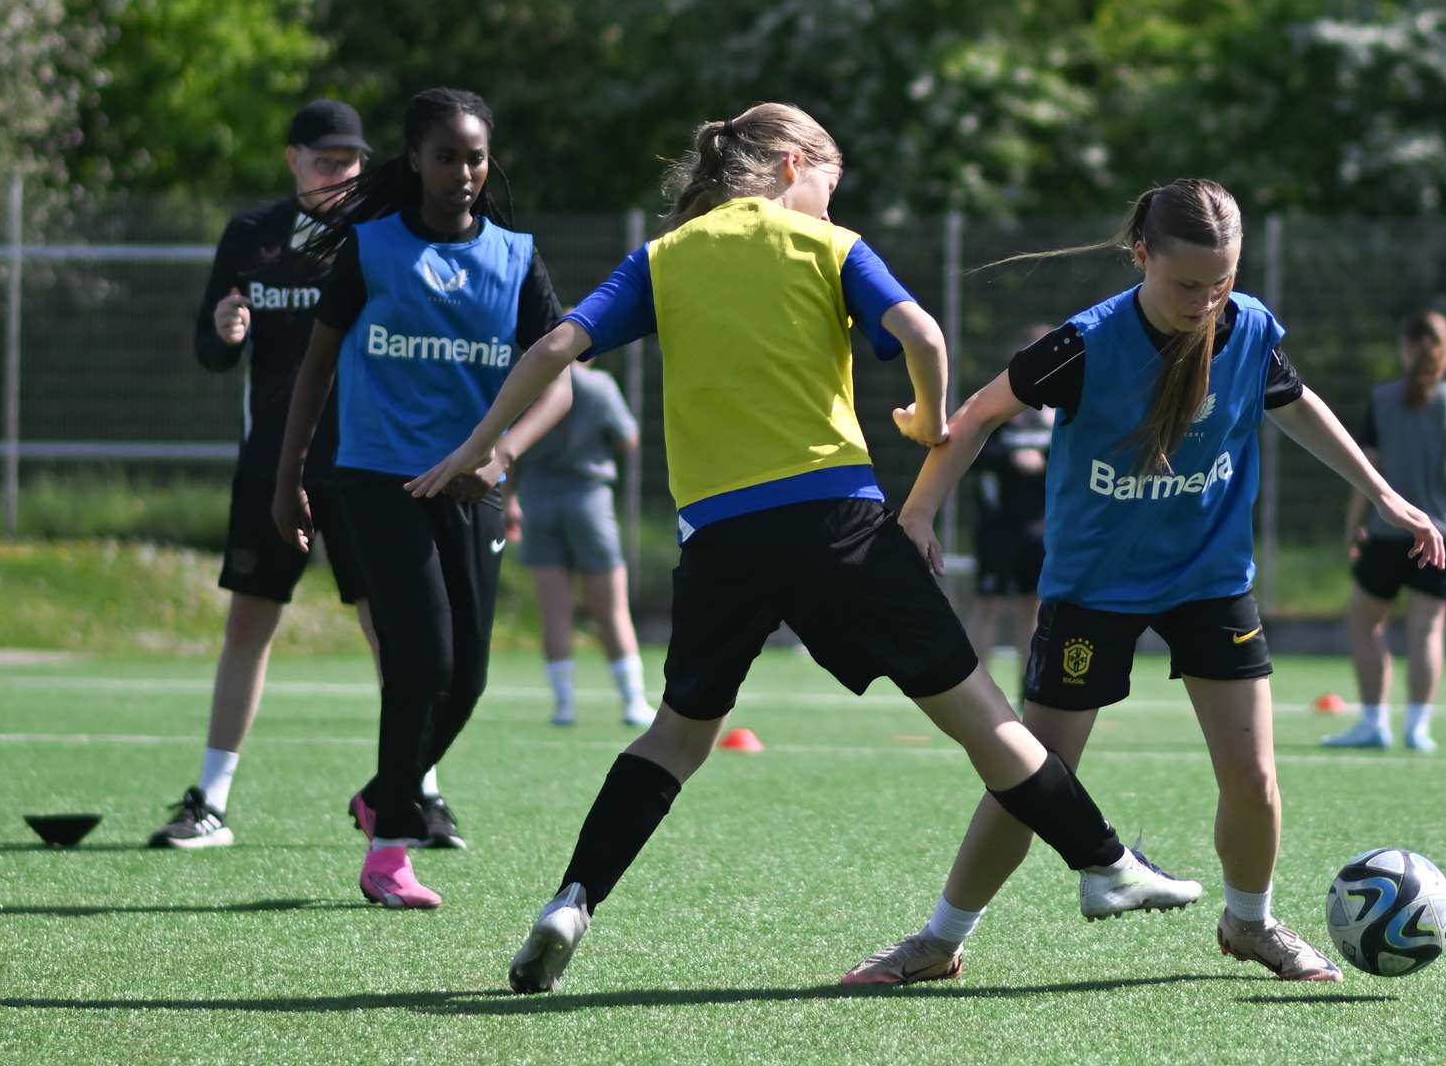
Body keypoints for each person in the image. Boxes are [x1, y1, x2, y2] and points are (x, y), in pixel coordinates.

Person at [408, 103, 1201, 993]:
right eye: (830, 183)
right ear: (793, 165)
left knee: (675, 735)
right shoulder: (829, 248)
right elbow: (925, 336)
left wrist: (473, 451)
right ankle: (1104, 866)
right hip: (836, 523)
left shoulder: (666, 257)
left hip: (717, 536)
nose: (832, 202)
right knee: (983, 718)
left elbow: (557, 345)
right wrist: (928, 421)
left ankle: (574, 897)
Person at [841, 179, 1446, 987]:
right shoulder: (1086, 344)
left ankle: (1251, 923)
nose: (1205, 301)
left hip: (1210, 579)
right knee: (1035, 777)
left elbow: (1296, 405)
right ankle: (940, 939)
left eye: (1220, 282)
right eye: (1187, 283)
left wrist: (1381, 493)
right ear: (1142, 256)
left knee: (1255, 777)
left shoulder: (1251, 329)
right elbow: (980, 415)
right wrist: (916, 515)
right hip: (1093, 588)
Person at [272, 88, 574, 909]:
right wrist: (289, 476)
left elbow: (561, 388)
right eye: (447, 156)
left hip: (471, 487)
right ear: (415, 160)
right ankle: (391, 848)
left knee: (469, 678)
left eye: (476, 156)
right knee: (424, 658)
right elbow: (317, 368)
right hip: (377, 479)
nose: (465, 172)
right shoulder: (371, 250)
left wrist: (500, 455)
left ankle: (381, 794)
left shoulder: (516, 258)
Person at [150, 99, 423, 849]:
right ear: (292, 159)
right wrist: (224, 329)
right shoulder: (252, 236)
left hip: (368, 463)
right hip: (273, 467)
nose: (340, 174)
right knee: (248, 621)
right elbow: (214, 353)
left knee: (388, 626)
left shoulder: (382, 233)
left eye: (351, 162)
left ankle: (416, 792)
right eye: (325, 160)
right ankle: (209, 798)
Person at [1323, 311, 1446, 754]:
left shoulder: (1383, 400)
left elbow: (1367, 468)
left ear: (1406, 346)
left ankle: (1374, 721)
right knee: (1427, 631)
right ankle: (1418, 727)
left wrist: (1353, 522)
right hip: (1444, 534)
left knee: (1364, 622)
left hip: (1389, 531)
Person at [507, 357, 652, 727]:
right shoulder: (599, 385)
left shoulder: (528, 386)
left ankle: (563, 706)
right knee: (612, 609)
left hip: (538, 501)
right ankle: (633, 702)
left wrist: (510, 501)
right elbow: (628, 437)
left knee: (555, 613)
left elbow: (512, 449)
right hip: (587, 498)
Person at [967, 324, 1055, 704]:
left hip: (1041, 530)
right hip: (998, 529)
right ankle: (974, 694)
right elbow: (970, 452)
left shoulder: (1060, 412)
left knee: (1031, 610)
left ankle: (1027, 688)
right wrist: (1011, 458)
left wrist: (1045, 454)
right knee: (987, 606)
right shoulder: (1000, 408)